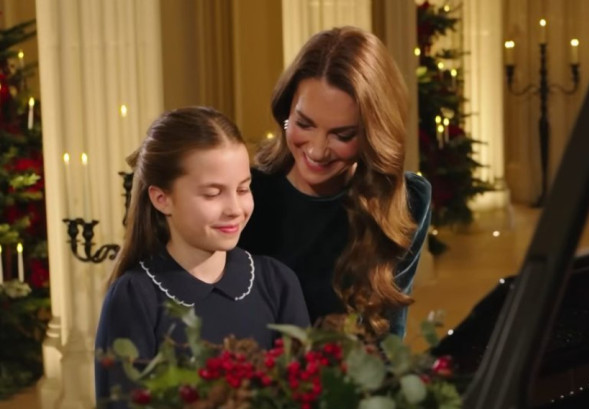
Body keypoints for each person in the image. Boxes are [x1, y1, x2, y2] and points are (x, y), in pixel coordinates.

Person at [95, 106, 309, 407]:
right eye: (212, 194)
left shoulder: (278, 283)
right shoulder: (134, 297)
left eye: (243, 189)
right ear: (162, 198)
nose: (235, 209)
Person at [238, 26, 431, 338]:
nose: (317, 150)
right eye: (304, 124)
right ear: (286, 111)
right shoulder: (245, 194)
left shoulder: (406, 201)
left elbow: (388, 342)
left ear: (373, 135)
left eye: (342, 135)